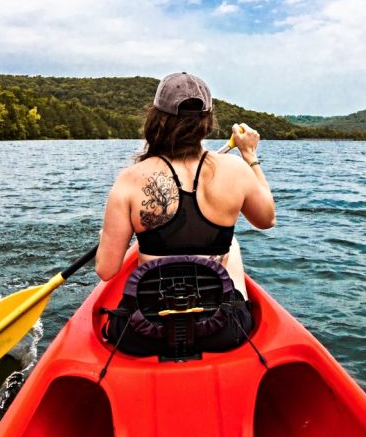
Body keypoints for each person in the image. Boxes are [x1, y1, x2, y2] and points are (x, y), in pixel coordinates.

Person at [96, 72, 276, 298]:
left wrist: (107, 236)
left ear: (155, 119)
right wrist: (249, 155)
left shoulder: (130, 178)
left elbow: (106, 270)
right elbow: (266, 219)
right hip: (218, 323)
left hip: (152, 322)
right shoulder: (236, 169)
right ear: (207, 122)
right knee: (232, 245)